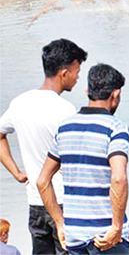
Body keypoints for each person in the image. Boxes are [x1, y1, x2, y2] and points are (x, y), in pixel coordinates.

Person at [0, 39, 87, 255]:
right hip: (63, 203)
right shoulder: (66, 111)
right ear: (64, 72)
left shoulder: (20, 103)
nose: (77, 77)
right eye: (77, 71)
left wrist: (17, 173)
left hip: (36, 202)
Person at [37, 63, 129, 255]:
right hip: (106, 238)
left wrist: (60, 223)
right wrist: (116, 227)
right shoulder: (115, 128)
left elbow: (42, 181)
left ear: (88, 90)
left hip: (74, 237)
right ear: (116, 94)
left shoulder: (65, 128)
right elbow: (119, 178)